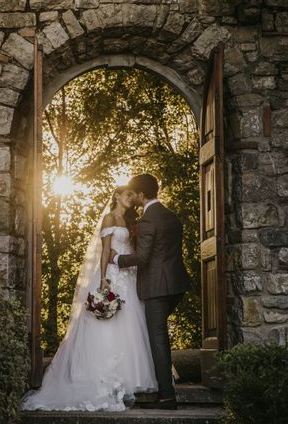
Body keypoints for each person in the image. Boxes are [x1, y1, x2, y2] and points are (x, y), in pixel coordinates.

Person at [22, 185, 157, 411]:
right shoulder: (108, 218)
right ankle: (101, 377)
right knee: (107, 325)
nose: (132, 199)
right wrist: (103, 278)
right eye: (128, 195)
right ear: (116, 196)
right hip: (113, 275)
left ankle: (130, 378)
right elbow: (105, 251)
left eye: (133, 196)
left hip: (129, 277)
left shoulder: (131, 221)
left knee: (131, 323)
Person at [111, 174, 191, 410]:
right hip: (177, 286)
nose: (133, 198)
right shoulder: (170, 216)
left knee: (158, 340)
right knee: (159, 337)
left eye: (134, 194)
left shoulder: (147, 221)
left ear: (141, 195)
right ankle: (165, 389)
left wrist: (116, 258)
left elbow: (143, 258)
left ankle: (167, 397)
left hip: (157, 288)